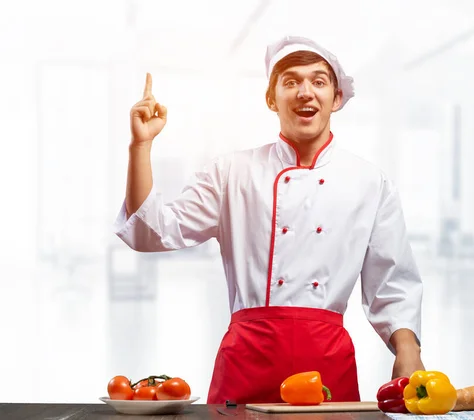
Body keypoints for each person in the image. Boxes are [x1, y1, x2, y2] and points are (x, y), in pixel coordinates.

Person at [113, 35, 425, 404]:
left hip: (327, 364)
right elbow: (152, 232)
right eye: (291, 82)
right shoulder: (231, 172)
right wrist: (141, 146)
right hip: (247, 359)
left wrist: (408, 352)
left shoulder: (370, 182)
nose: (305, 92)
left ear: (336, 99)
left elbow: (392, 281)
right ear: (271, 99)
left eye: (319, 81)